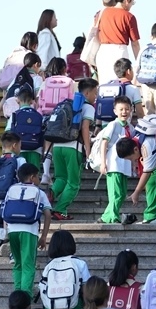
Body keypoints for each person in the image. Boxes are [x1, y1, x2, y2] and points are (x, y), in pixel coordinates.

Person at [49, 78, 98, 221]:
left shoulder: (67, 104)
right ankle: (60, 210)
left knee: (61, 178)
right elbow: (85, 128)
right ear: (87, 93)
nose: (96, 96)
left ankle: (50, 194)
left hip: (57, 146)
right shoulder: (88, 107)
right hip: (73, 148)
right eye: (95, 93)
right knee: (73, 183)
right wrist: (88, 149)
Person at [6, 163, 52, 297]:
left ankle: (17, 294)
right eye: (38, 176)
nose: (39, 179)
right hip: (29, 231)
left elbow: (5, 211)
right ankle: (25, 297)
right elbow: (48, 215)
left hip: (12, 230)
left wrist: (6, 231)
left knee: (17, 264)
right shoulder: (39, 192)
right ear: (32, 177)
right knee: (28, 265)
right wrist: (44, 236)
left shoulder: (12, 189)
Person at [43, 230, 91, 309]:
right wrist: (87, 305)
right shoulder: (80, 263)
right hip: (74, 307)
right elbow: (86, 287)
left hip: (52, 308)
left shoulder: (49, 265)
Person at [117, 133, 156, 225]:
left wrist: (136, 192)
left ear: (135, 149)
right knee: (150, 183)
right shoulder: (136, 141)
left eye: (131, 158)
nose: (132, 161)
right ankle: (151, 216)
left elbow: (147, 172)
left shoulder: (146, 146)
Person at [97, 96, 135, 224]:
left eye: (127, 109)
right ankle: (113, 217)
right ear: (115, 111)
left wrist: (133, 164)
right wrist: (103, 162)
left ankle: (106, 216)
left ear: (131, 110)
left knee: (122, 193)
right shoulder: (113, 125)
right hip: (113, 164)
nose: (124, 112)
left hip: (125, 165)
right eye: (121, 109)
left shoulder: (131, 128)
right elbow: (104, 142)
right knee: (115, 193)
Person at [94, 0, 141, 85]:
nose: (132, 5)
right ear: (127, 0)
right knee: (121, 85)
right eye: (133, 2)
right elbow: (135, 44)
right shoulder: (129, 16)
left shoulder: (101, 13)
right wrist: (139, 63)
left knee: (104, 86)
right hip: (119, 52)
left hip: (102, 52)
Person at [0, 132, 27, 232]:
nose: (20, 149)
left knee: (0, 228)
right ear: (14, 145)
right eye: (20, 146)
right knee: (14, 228)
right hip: (15, 200)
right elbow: (25, 181)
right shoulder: (20, 160)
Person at [36, 9, 61, 75]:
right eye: (54, 17)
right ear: (49, 19)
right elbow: (42, 53)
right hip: (48, 72)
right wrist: (43, 70)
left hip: (52, 70)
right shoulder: (45, 34)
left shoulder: (50, 34)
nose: (56, 19)